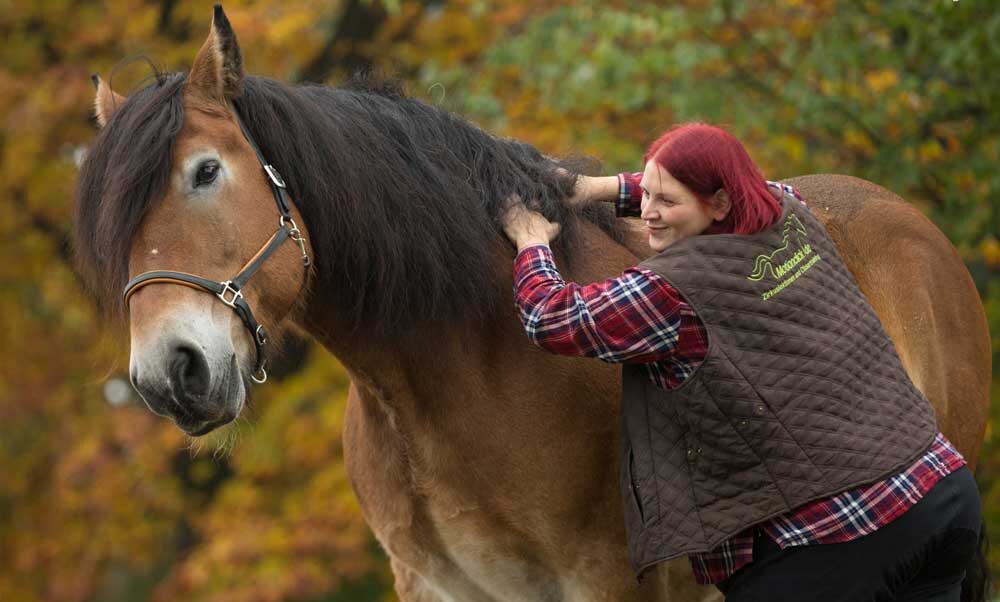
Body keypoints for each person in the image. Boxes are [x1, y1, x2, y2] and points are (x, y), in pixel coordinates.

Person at [501, 123, 982, 601]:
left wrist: (531, 241)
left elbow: (554, 318)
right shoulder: (789, 212)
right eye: (645, 195)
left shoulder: (669, 292)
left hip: (843, 541)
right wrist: (599, 188)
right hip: (943, 494)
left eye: (665, 202)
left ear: (719, 204)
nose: (647, 212)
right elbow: (753, 186)